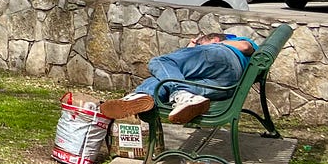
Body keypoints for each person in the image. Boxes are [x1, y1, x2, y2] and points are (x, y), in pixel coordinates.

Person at [99, 32, 259, 124]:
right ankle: (144, 97)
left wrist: (193, 50)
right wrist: (191, 51)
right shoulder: (215, 57)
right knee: (167, 80)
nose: (196, 48)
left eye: (199, 44)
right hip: (225, 87)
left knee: (160, 62)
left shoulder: (229, 42)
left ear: (214, 40)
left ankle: (159, 93)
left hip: (224, 60)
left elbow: (246, 47)